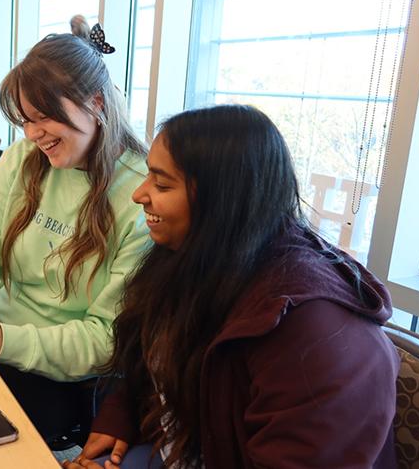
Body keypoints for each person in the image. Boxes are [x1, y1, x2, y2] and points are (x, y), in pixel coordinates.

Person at [66, 104, 399, 469]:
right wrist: (122, 416)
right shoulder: (199, 258)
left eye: (162, 183)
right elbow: (151, 363)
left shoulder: (318, 337)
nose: (139, 194)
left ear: (223, 199)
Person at [0, 21, 150, 444]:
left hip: (60, 375)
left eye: (42, 118)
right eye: (24, 120)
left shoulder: (141, 195)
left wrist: (3, 339)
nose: (32, 134)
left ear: (95, 103)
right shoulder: (22, 160)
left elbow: (105, 339)